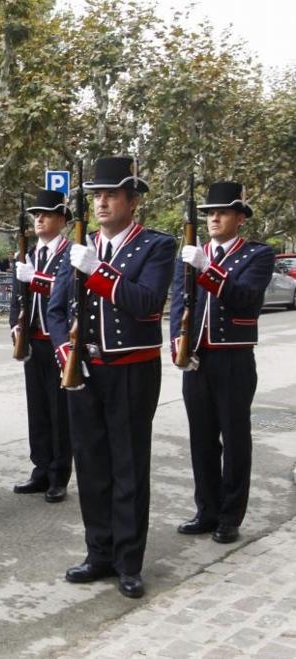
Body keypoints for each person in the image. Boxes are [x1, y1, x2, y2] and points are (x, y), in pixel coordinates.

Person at [46, 155, 175, 599]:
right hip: (85, 370)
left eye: (111, 195)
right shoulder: (78, 248)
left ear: (132, 200)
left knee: (128, 466)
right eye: (96, 195)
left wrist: (96, 271)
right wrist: (66, 351)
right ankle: (98, 552)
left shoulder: (156, 246)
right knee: (93, 465)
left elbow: (145, 302)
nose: (101, 202)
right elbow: (56, 310)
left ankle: (128, 561)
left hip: (131, 370)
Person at [170, 181, 274, 545]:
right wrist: (176, 342)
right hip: (197, 358)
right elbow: (179, 303)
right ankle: (206, 509)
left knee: (234, 437)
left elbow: (245, 298)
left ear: (240, 218)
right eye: (210, 213)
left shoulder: (257, 255)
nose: (214, 217)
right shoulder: (193, 253)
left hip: (233, 358)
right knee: (201, 438)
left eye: (223, 211)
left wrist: (209, 271)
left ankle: (230, 515)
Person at [10, 188, 73, 503]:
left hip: (58, 342)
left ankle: (59, 475)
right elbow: (15, 299)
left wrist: (35, 278)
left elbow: (68, 295)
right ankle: (40, 470)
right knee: (38, 410)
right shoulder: (28, 254)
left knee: (59, 412)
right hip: (33, 339)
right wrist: (16, 330)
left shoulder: (70, 253)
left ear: (61, 219)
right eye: (35, 215)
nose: (38, 219)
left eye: (45, 214)